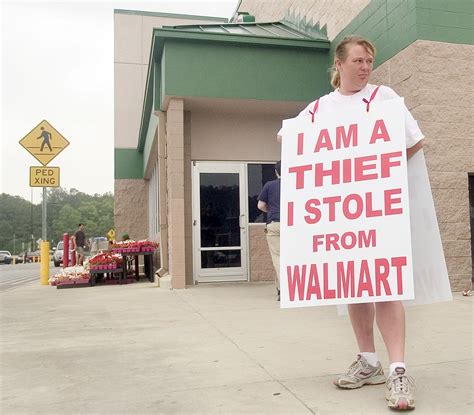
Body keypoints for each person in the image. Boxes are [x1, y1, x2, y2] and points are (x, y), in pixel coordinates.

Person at [280, 36, 426, 411]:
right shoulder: (318, 110)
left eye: (369, 61)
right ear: (339, 64)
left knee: (385, 285)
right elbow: (290, 141)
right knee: (355, 285)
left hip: (377, 210)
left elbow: (413, 141)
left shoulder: (385, 99)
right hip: (342, 217)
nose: (365, 67)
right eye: (358, 60)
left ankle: (397, 371)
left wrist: (382, 168)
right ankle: (369, 362)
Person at [257, 161, 281, 301]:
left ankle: (284, 289)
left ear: (276, 172)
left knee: (278, 258)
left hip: (274, 224)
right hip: (292, 226)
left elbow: (260, 205)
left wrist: (270, 210)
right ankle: (280, 289)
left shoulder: (269, 185)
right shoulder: (296, 185)